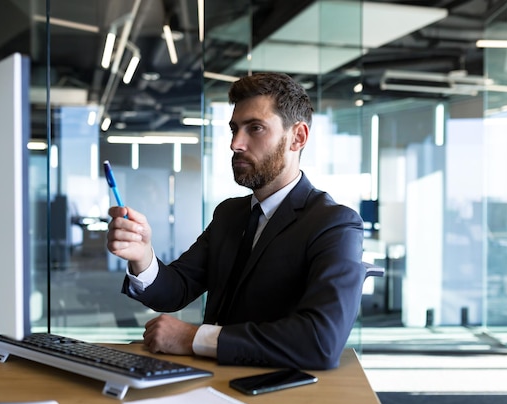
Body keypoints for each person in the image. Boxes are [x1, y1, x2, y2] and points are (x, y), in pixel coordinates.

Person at [106, 72, 365, 370]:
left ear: (298, 137)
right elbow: (176, 289)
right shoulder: (230, 213)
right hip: (212, 382)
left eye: (255, 128)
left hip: (280, 395)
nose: (235, 144)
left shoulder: (334, 224)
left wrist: (193, 338)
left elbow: (321, 342)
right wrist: (142, 254)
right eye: (234, 129)